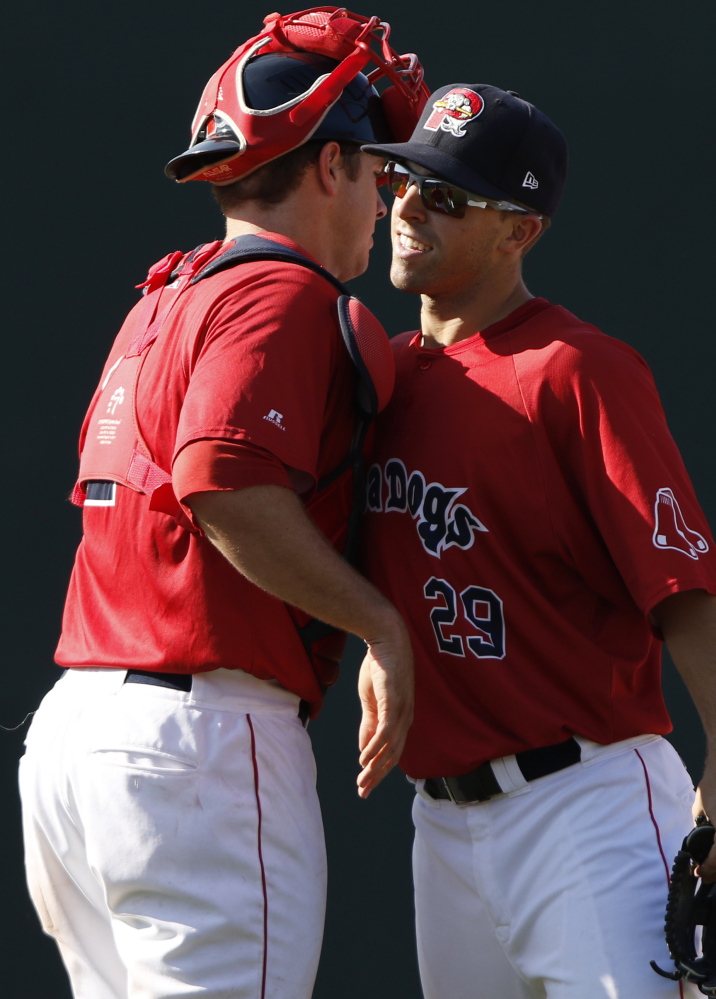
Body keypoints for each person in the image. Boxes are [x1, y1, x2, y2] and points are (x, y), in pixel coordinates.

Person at [18, 10, 428, 999]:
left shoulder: (165, 296)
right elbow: (223, 485)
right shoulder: (279, 295)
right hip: (198, 745)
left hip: (77, 741)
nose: (386, 199)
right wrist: (380, 627)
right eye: (375, 169)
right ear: (329, 168)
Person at [361, 84, 716, 999]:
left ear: (521, 231)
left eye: (448, 195)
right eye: (401, 179)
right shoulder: (384, 376)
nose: (408, 207)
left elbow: (689, 586)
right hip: (441, 822)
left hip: (583, 804)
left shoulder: (574, 370)